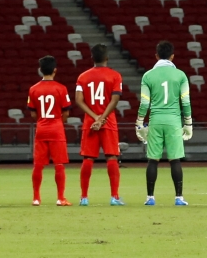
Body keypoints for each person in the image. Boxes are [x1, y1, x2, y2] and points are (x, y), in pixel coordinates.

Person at [135, 41, 193, 206]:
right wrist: (188, 123)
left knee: (153, 160)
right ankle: (179, 198)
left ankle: (150, 198)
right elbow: (186, 102)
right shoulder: (181, 75)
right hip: (174, 121)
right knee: (175, 160)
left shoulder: (148, 76)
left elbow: (144, 103)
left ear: (156, 56)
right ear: (172, 56)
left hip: (155, 120)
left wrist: (139, 123)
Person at [74, 43, 124, 205]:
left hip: (90, 122)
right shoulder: (115, 76)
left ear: (92, 58)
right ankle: (114, 197)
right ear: (107, 58)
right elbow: (115, 100)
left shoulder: (82, 77)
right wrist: (102, 118)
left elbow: (78, 100)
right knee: (112, 156)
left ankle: (84, 198)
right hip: (108, 121)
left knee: (88, 158)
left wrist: (95, 117)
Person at [27, 55, 72, 206]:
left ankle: (36, 198)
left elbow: (33, 113)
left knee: (38, 165)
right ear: (55, 70)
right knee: (59, 164)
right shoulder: (61, 88)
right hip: (56, 129)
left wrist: (41, 121)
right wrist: (59, 122)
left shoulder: (33, 89)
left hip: (41, 129)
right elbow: (66, 112)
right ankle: (60, 198)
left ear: (40, 70)